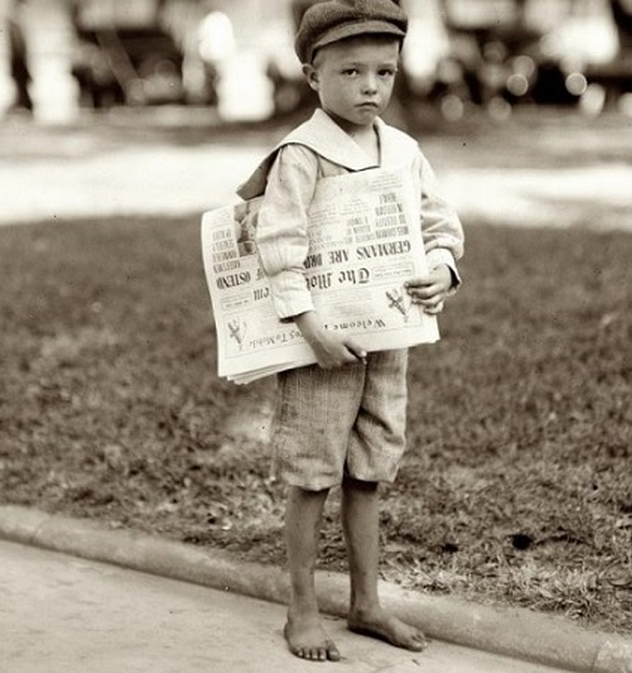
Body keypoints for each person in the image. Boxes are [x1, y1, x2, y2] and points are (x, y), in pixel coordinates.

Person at [234, 0, 464, 663]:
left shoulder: (404, 151)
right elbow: (279, 244)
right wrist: (309, 326)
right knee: (312, 474)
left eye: (384, 73)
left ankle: (367, 602)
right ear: (313, 75)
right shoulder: (302, 155)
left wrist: (442, 268)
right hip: (320, 346)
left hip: (387, 339)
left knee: (369, 469)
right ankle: (302, 609)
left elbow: (438, 222)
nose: (370, 87)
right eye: (351, 72)